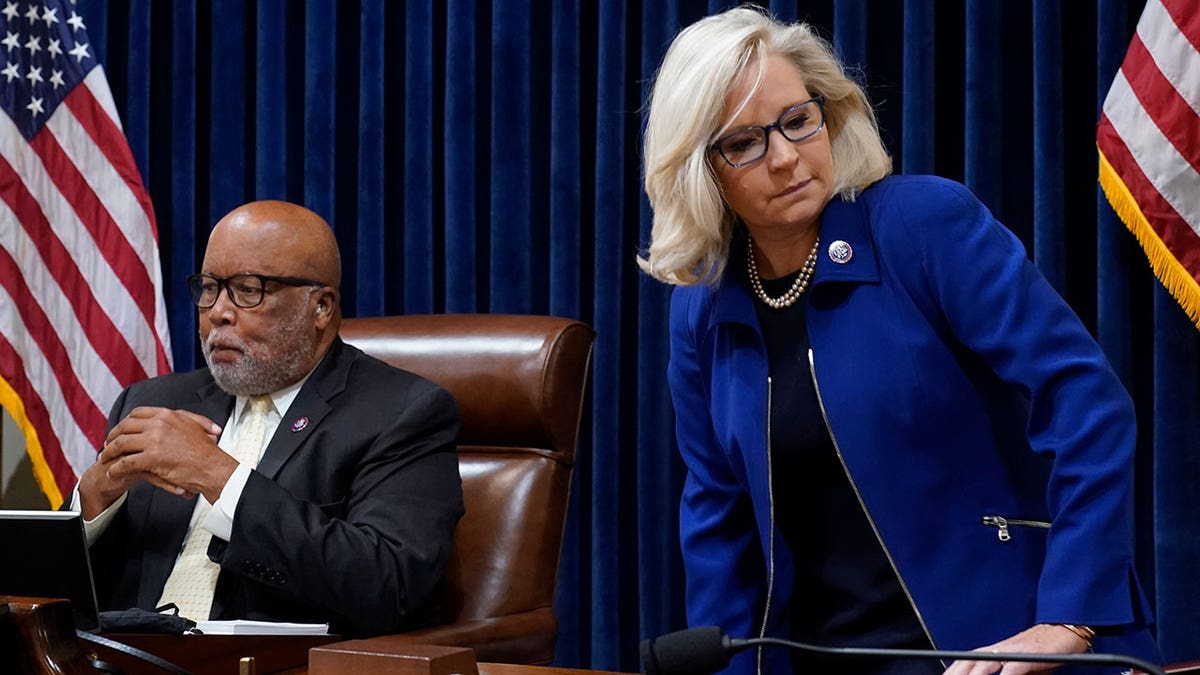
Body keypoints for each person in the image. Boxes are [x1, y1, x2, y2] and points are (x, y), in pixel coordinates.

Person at [639, 6, 1159, 675]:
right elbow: (718, 519)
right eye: (745, 143)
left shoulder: (923, 227)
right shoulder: (702, 310)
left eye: (799, 120)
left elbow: (1087, 401)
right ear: (699, 169)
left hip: (994, 650)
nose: (787, 156)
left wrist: (1067, 618)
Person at [72, 200, 463, 638]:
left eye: (248, 289)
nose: (218, 311)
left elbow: (387, 585)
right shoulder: (153, 400)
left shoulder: (401, 412)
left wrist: (216, 474)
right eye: (209, 287)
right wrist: (92, 503)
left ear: (321, 307)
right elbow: (63, 596)